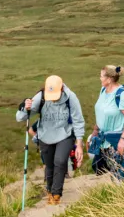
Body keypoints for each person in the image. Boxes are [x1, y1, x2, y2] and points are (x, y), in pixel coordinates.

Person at [16, 74, 85, 205]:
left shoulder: (71, 98)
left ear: (62, 89)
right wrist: (25, 107)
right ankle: (50, 190)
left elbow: (78, 120)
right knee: (49, 165)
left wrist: (79, 143)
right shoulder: (40, 97)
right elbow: (21, 118)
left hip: (65, 134)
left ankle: (56, 194)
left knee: (60, 161)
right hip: (45, 136)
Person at [87, 65, 124, 180]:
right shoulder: (103, 90)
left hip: (117, 141)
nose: (99, 78)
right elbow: (101, 112)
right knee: (114, 173)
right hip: (104, 141)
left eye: (101, 76)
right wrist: (95, 132)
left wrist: (123, 140)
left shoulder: (122, 95)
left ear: (109, 79)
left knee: (123, 176)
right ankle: (120, 196)